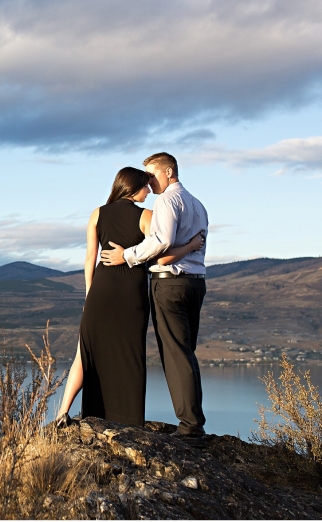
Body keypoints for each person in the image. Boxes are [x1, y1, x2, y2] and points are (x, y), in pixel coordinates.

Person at [53, 167, 204, 428]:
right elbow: (161, 256)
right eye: (145, 186)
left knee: (85, 352)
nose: (148, 191)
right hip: (131, 294)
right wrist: (190, 247)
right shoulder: (147, 216)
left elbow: (90, 258)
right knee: (130, 355)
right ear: (133, 187)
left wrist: (90, 294)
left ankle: (62, 414)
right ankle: (128, 419)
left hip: (100, 290)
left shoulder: (97, 213)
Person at [100, 152, 209, 447]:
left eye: (151, 175)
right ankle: (193, 423)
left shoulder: (166, 201)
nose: (148, 181)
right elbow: (195, 247)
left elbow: (160, 242)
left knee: (175, 354)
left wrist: (128, 255)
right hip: (195, 283)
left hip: (169, 283)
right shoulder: (197, 204)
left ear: (169, 172)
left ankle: (190, 429)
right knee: (186, 352)